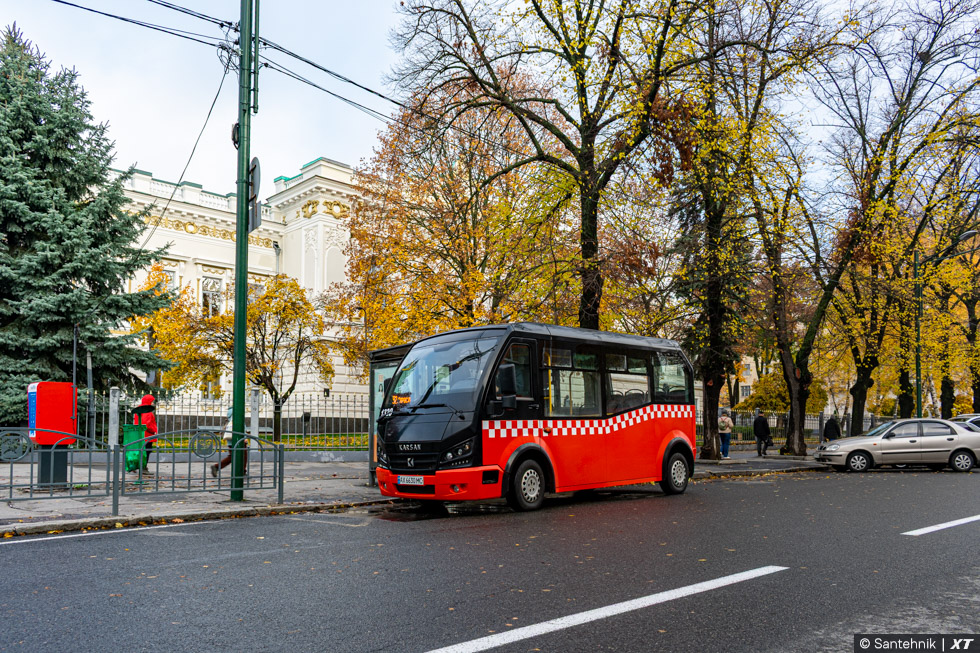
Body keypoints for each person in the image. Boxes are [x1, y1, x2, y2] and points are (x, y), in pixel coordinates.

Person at [211, 408, 248, 477]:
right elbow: (241, 426)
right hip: (239, 439)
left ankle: (242, 471)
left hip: (231, 439)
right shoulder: (237, 413)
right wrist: (244, 436)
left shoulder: (230, 414)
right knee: (243, 456)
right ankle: (217, 467)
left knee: (234, 456)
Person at [133, 394, 157, 473]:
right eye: (152, 402)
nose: (153, 403)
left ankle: (136, 466)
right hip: (147, 435)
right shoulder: (147, 411)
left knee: (141, 450)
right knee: (147, 451)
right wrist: (153, 430)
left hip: (140, 434)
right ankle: (143, 467)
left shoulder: (139, 409)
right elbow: (146, 424)